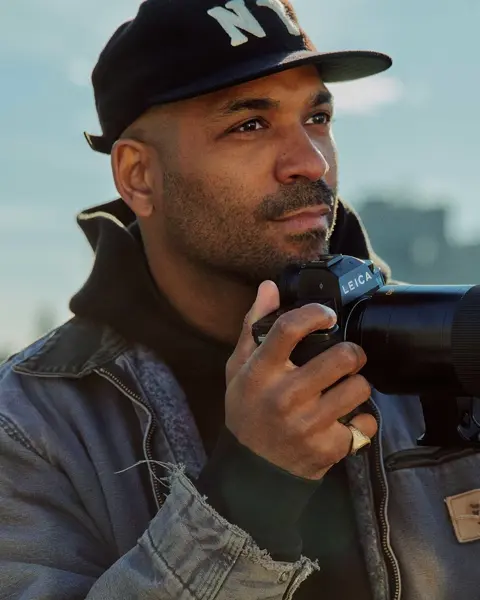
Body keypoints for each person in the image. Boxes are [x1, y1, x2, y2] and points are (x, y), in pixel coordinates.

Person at [1, 0, 479, 599]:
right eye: (250, 124)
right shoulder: (29, 426)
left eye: (319, 117)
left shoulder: (453, 344)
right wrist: (252, 492)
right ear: (138, 176)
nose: (311, 161)